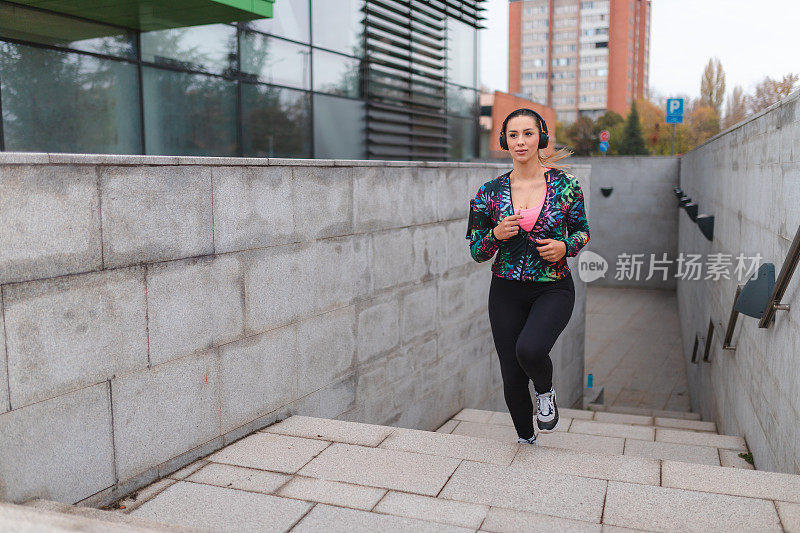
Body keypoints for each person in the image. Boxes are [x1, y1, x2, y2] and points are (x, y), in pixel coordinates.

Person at [465, 108, 590, 445]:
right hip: (505, 290)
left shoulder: (566, 185)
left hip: (553, 288)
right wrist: (496, 234)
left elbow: (582, 232)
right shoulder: (488, 192)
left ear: (541, 138)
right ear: (504, 141)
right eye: (513, 135)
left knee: (530, 350)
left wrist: (565, 247)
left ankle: (546, 392)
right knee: (511, 374)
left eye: (528, 133)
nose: (520, 141)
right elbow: (477, 251)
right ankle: (525, 440)